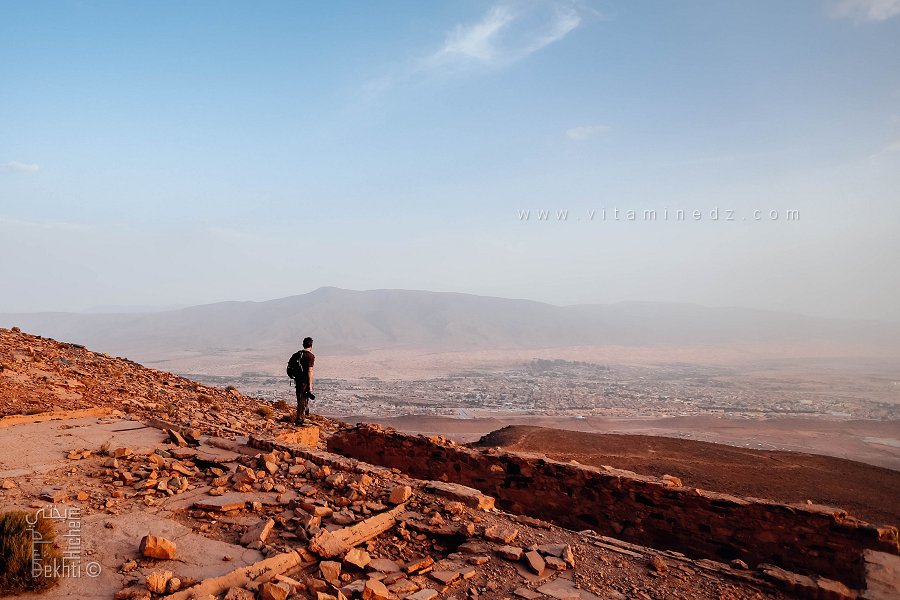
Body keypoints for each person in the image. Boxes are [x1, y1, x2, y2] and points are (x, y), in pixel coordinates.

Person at [287, 337, 315, 425]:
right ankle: (299, 419)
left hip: (297, 380)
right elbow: (310, 371)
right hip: (305, 381)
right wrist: (310, 385)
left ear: (303, 344)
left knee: (300, 398)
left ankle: (300, 417)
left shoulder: (297, 354)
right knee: (303, 399)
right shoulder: (310, 356)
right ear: (311, 346)